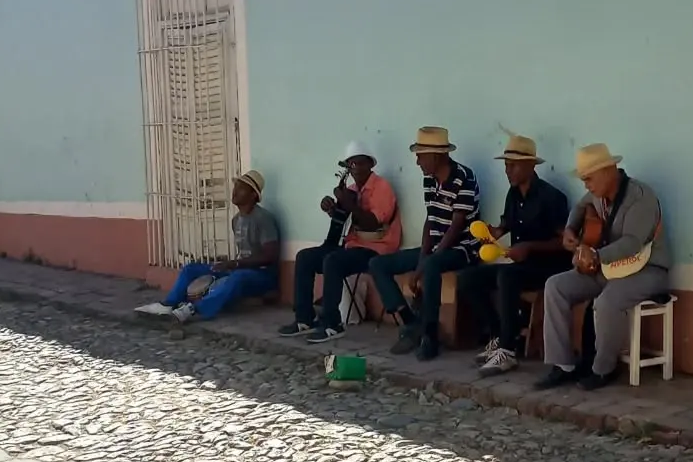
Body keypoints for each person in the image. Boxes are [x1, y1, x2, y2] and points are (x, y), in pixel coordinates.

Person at [535, 144, 670, 392]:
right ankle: (562, 365)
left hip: (648, 270)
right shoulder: (598, 194)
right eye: (583, 179)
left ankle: (603, 369)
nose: (586, 184)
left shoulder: (640, 197)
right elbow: (578, 208)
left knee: (608, 301)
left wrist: (595, 255)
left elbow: (632, 242)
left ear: (609, 171)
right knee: (555, 286)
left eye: (588, 178)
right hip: (609, 267)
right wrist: (570, 229)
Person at [456, 134, 570, 377]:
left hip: (549, 267)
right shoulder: (513, 194)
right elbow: (505, 225)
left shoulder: (552, 197)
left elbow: (564, 243)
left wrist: (529, 247)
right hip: (520, 264)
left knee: (507, 277)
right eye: (506, 165)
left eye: (513, 165)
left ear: (530, 165)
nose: (507, 171)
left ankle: (507, 352)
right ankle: (500, 336)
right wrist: (491, 233)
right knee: (468, 279)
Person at [369, 126, 480, 361]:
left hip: (462, 248)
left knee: (431, 266)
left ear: (436, 156)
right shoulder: (429, 181)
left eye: (420, 155)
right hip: (437, 248)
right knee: (378, 264)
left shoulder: (464, 177)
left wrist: (425, 263)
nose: (418, 162)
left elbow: (457, 226)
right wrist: (422, 258)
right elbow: (431, 221)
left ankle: (430, 335)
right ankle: (411, 323)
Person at [278, 142, 402, 343]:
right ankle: (304, 319)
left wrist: (349, 203)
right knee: (305, 257)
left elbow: (372, 224)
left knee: (333, 261)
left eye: (360, 163)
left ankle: (332, 324)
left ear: (370, 164)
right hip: (352, 246)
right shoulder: (352, 190)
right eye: (351, 165)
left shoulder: (382, 187)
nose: (355, 169)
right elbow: (342, 220)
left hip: (377, 249)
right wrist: (331, 208)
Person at [135, 170, 281, 324]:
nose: (235, 191)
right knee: (192, 268)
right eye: (235, 186)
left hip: (262, 276)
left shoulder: (264, 219)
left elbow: (269, 256)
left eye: (241, 188)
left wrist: (236, 264)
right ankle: (169, 304)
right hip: (240, 269)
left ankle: (194, 310)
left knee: (238, 277)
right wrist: (229, 264)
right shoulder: (236, 220)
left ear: (253, 195)